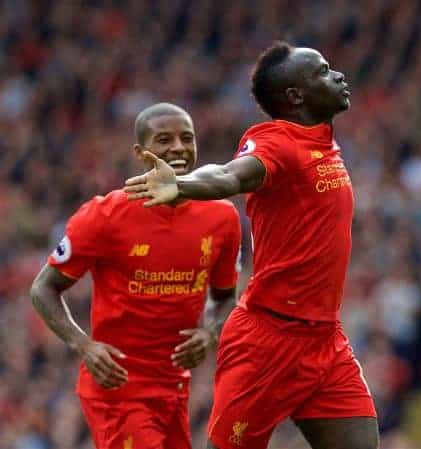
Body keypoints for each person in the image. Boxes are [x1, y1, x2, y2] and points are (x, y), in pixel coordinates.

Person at [124, 42, 379, 449]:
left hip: (325, 340)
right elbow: (229, 175)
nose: (338, 76)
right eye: (324, 71)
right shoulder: (277, 142)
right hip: (267, 340)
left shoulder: (320, 141)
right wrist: (182, 185)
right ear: (296, 96)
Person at [30, 103, 242, 449]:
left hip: (175, 390)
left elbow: (224, 298)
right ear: (141, 153)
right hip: (118, 392)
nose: (177, 147)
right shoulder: (104, 215)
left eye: (186, 138)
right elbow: (43, 288)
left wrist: (210, 333)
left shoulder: (222, 217)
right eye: (163, 139)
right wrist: (82, 344)